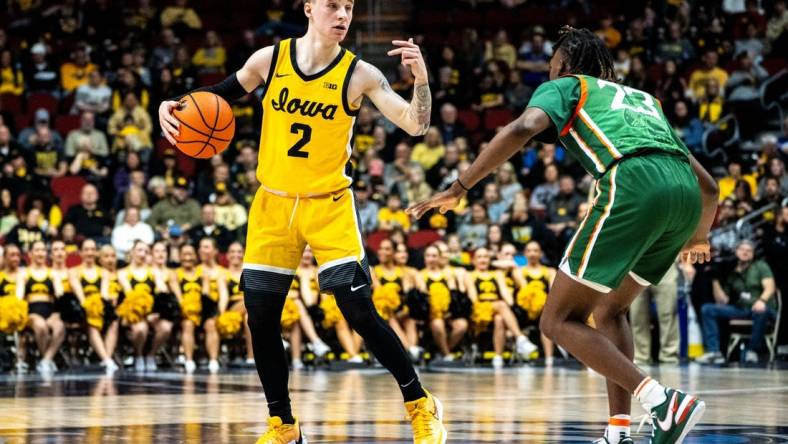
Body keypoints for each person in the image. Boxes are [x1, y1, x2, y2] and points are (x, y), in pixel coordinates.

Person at [409, 26, 719, 444]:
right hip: (683, 199)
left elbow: (522, 129)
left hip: (634, 182)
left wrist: (459, 188)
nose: (548, 72)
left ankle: (662, 402)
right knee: (610, 311)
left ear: (566, 64)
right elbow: (710, 187)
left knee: (556, 320)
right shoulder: (645, 101)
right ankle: (618, 432)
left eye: (552, 64)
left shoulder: (567, 86)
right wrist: (699, 237)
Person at [159, 1, 444, 442]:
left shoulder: (360, 73)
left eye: (348, 7)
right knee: (261, 317)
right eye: (333, 5)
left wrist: (421, 81)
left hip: (329, 204)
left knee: (359, 312)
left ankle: (420, 403)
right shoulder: (269, 61)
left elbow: (416, 125)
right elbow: (214, 98)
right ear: (309, 7)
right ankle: (284, 425)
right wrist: (171, 105)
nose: (343, 15)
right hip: (274, 204)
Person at [697, 240, 777, 364]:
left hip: (762, 307)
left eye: (749, 250)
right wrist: (714, 280)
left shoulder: (760, 266)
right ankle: (714, 352)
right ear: (736, 252)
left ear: (753, 253)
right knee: (707, 309)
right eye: (742, 249)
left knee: (761, 310)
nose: (745, 252)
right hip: (742, 308)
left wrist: (761, 301)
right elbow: (723, 301)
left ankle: (752, 351)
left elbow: (770, 287)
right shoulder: (733, 272)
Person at [466, 247, 534, 369]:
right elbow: (473, 298)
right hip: (479, 310)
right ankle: (520, 338)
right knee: (501, 305)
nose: (483, 260)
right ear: (474, 260)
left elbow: (505, 294)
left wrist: (510, 303)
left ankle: (498, 357)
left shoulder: (497, 274)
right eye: (479, 257)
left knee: (499, 319)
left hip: (497, 309)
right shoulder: (470, 275)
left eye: (486, 257)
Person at [17, 241, 65, 374]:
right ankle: (48, 361)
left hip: (50, 312)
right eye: (37, 250)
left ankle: (45, 360)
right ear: (30, 254)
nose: (40, 253)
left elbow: (59, 294)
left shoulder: (53, 274)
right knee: (41, 326)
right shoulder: (24, 274)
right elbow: (19, 297)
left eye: (43, 250)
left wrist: (57, 313)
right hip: (31, 312)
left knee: (60, 327)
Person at [72, 239, 119, 373]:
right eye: (86, 250)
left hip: (99, 306)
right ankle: (107, 359)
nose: (90, 253)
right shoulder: (74, 271)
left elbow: (103, 294)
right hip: (82, 307)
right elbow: (80, 295)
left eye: (92, 249)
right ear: (81, 253)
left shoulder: (103, 272)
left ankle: (107, 359)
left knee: (114, 321)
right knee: (92, 323)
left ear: (96, 253)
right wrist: (89, 307)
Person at [421, 245, 468, 361]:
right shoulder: (420, 275)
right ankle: (447, 355)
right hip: (430, 313)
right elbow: (422, 298)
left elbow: (454, 297)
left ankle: (442, 351)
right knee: (438, 323)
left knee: (462, 324)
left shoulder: (447, 274)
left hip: (448, 313)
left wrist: (449, 313)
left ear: (439, 258)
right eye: (428, 256)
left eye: (434, 256)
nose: (431, 259)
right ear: (424, 258)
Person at [226, 242, 254, 364]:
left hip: (249, 309)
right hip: (231, 309)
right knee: (251, 303)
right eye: (232, 251)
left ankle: (251, 357)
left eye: (239, 251)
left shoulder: (250, 272)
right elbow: (223, 297)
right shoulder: (222, 273)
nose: (236, 254)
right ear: (227, 255)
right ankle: (273, 338)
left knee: (249, 316)